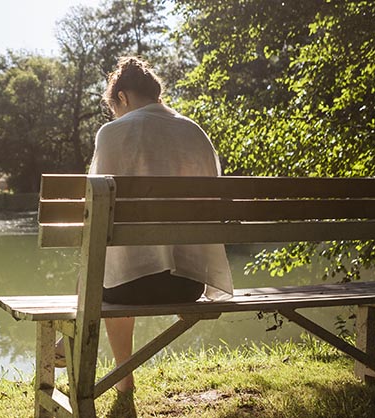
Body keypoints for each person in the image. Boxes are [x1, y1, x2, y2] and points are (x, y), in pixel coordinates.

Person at [57, 57, 234, 401]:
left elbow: (97, 212)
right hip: (189, 284)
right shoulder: (195, 131)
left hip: (128, 289)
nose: (115, 116)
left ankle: (123, 381)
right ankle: (88, 356)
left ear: (122, 97)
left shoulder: (113, 133)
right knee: (111, 266)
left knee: (100, 265)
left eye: (114, 108)